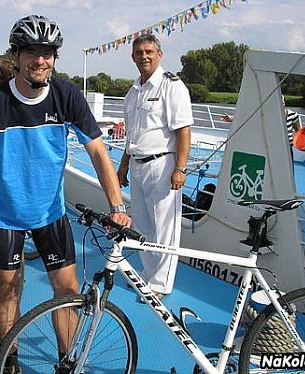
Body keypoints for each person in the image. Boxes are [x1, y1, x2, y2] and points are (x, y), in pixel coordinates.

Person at [0, 15, 130, 372]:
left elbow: (96, 150)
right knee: (7, 290)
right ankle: (9, 359)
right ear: (15, 56)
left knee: (66, 293)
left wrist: (117, 205)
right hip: (6, 216)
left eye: (47, 52)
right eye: (32, 51)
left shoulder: (67, 96)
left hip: (51, 214)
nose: (40, 59)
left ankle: (68, 362)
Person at [117, 34, 193, 300]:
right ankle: (148, 275)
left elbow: (183, 130)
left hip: (162, 164)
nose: (144, 56)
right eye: (139, 52)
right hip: (138, 165)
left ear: (159, 54)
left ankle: (160, 284)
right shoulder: (133, 91)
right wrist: (123, 166)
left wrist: (180, 169)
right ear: (133, 57)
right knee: (144, 225)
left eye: (149, 51)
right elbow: (131, 135)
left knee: (165, 227)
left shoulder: (171, 87)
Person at [221, 94, 301, 160]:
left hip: (286, 149)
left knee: (287, 172)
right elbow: (250, 119)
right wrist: (231, 119)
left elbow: (300, 132)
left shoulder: (293, 115)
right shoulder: (268, 115)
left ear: (284, 104)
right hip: (271, 148)